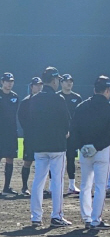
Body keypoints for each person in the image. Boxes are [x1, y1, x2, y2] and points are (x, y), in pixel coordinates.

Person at [72, 76, 110, 230]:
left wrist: (81, 146)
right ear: (106, 90)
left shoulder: (82, 106)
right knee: (100, 186)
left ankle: (86, 217)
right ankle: (96, 219)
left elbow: (74, 129)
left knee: (85, 185)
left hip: (84, 151)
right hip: (102, 151)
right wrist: (97, 146)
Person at [20, 67, 72, 227]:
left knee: (38, 180)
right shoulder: (59, 99)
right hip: (56, 145)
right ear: (55, 80)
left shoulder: (34, 99)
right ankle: (56, 216)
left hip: (39, 145)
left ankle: (36, 216)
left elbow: (30, 121)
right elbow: (66, 122)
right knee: (56, 181)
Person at [18, 77, 43, 196]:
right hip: (30, 137)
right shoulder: (26, 101)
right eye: (36, 85)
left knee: (42, 163)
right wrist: (28, 130)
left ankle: (41, 187)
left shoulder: (45, 101)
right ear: (31, 86)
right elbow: (21, 117)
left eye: (40, 85)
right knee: (28, 161)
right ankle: (24, 187)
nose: (38, 87)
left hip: (42, 137)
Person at [58, 74, 83, 195]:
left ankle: (72, 185)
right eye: (66, 81)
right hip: (58, 134)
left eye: (71, 81)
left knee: (71, 159)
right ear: (61, 83)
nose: (69, 83)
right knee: (57, 159)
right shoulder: (56, 97)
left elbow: (80, 116)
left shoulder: (77, 98)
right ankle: (54, 185)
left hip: (72, 134)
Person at [0, 73, 19, 195]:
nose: (9, 83)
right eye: (7, 81)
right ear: (2, 82)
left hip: (11, 132)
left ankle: (6, 187)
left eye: (11, 81)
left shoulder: (15, 97)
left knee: (10, 158)